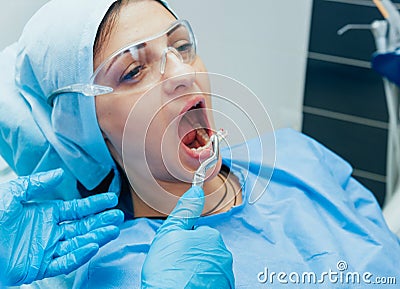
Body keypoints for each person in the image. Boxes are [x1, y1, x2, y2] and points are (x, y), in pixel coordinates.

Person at [4, 0, 400, 288]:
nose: (181, 73)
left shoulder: (299, 155)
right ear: (85, 126)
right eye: (134, 70)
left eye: (180, 47)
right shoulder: (108, 270)